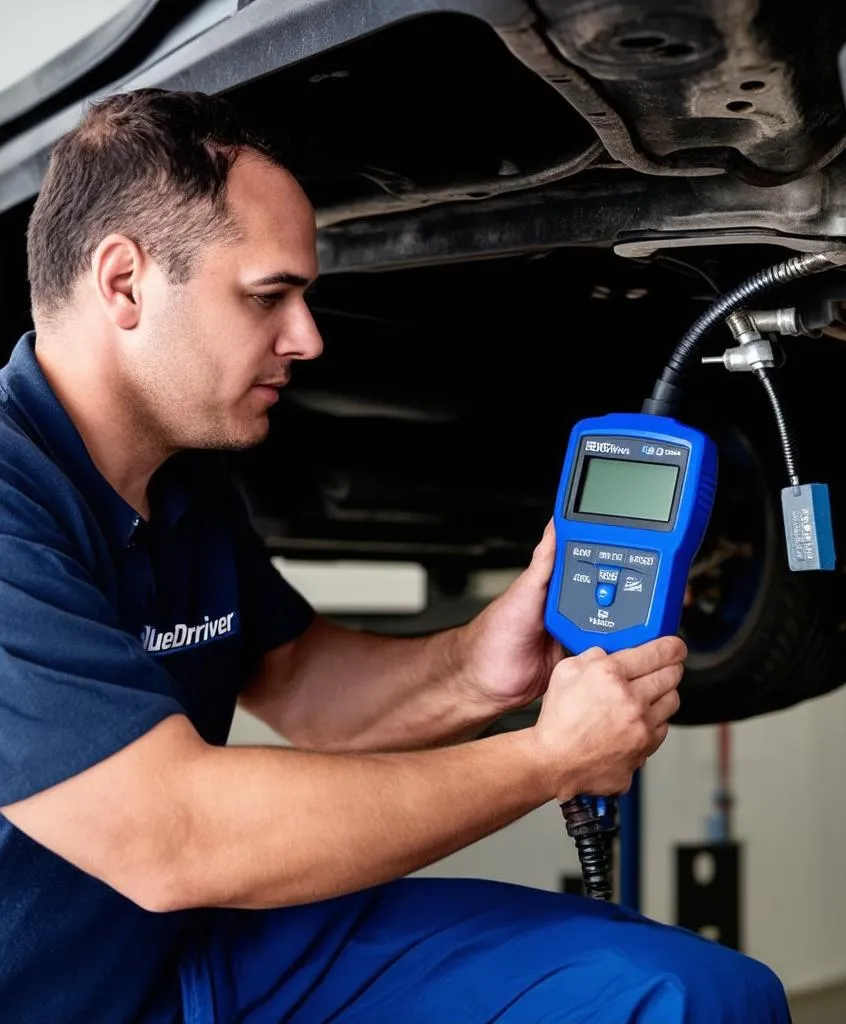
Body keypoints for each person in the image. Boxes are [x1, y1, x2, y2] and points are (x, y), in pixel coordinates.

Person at [0, 88, 791, 1023]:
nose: (308, 337)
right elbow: (172, 839)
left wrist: (482, 669)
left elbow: (298, 684)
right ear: (125, 281)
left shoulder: (182, 478)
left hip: (191, 953)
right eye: (269, 296)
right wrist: (549, 759)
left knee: (691, 996)